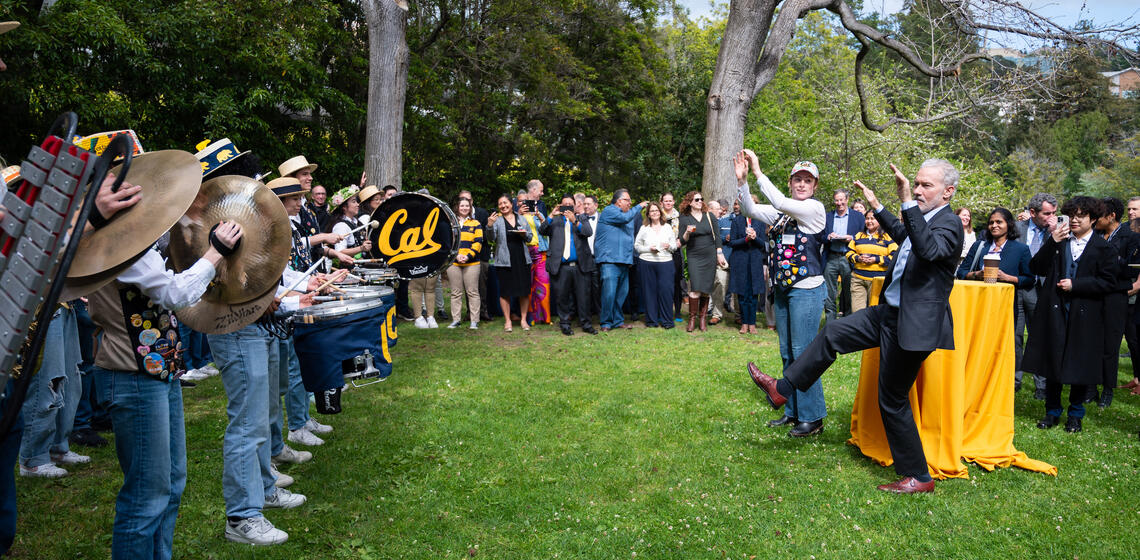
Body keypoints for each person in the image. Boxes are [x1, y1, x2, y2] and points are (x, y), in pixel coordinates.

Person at [749, 158, 964, 493]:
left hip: (913, 326)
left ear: (948, 192)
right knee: (833, 331)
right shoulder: (923, 219)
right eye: (917, 184)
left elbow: (927, 249)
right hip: (888, 314)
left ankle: (919, 477)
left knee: (891, 399)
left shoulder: (949, 225)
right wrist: (878, 205)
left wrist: (907, 200)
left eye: (926, 185)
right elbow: (905, 233)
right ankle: (783, 389)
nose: (919, 190)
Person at [84, 172, 244, 557]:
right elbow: (175, 293)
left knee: (170, 485)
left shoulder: (130, 238)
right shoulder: (119, 242)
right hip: (132, 375)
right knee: (146, 496)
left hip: (154, 371)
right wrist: (215, 251)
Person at [734, 152, 828, 437]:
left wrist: (759, 171)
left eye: (807, 181)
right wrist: (742, 181)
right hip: (784, 289)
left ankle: (813, 418)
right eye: (797, 179)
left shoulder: (814, 209)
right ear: (790, 182)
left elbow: (777, 201)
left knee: (803, 354)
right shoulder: (781, 216)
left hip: (807, 290)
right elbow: (749, 209)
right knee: (788, 352)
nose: (802, 184)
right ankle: (793, 411)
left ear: (814, 187)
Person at [1023, 196, 1117, 434]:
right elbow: (1036, 268)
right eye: (1071, 215)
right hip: (1055, 310)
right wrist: (1052, 242)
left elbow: (1108, 282)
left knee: (1080, 364)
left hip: (1086, 314)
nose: (1074, 220)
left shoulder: (1104, 247)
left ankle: (1076, 414)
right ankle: (1052, 411)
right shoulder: (1059, 242)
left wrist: (1077, 285)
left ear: (1093, 219)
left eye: (1080, 216)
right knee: (1054, 361)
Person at [265, 177, 339, 448]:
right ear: (280, 202)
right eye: (294, 199)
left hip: (288, 303)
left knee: (297, 366)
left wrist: (311, 280)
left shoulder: (289, 225)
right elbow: (276, 275)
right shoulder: (272, 229)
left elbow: (287, 271)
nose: (300, 202)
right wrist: (300, 292)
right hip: (276, 311)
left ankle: (301, 418)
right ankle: (292, 429)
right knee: (284, 378)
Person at [957, 207, 1033, 385]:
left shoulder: (1020, 249)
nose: (994, 225)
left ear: (1009, 224)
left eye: (999, 222)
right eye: (991, 222)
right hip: (977, 303)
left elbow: (1029, 279)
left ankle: (1006, 380)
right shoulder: (980, 246)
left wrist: (1008, 278)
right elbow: (961, 272)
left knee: (1005, 343)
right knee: (976, 342)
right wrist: (977, 275)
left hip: (1004, 305)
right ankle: (975, 377)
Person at [1092, 197, 1136, 408]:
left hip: (1115, 296)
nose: (1094, 219)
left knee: (1110, 345)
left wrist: (1111, 259)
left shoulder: (1131, 237)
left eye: (1098, 215)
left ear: (1111, 216)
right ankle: (1090, 386)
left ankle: (1107, 389)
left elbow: (1130, 270)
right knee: (1091, 342)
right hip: (1093, 294)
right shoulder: (1094, 235)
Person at [1015, 192, 1059, 400]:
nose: (1051, 217)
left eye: (1054, 213)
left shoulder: (1057, 232)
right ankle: (1015, 379)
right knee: (1015, 336)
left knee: (1039, 336)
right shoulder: (1017, 228)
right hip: (1017, 286)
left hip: (1041, 289)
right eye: (1046, 213)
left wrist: (1053, 233)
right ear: (1032, 212)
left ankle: (1041, 383)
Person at [540, 194, 596, 335]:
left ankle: (586, 324)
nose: (567, 206)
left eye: (570, 204)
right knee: (562, 297)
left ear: (574, 205)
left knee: (584, 297)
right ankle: (565, 324)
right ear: (560, 205)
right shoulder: (555, 220)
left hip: (580, 266)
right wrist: (551, 215)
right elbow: (542, 230)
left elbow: (588, 232)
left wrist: (575, 221)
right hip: (561, 266)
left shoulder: (581, 217)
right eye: (564, 204)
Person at [595, 190, 647, 331]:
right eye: (627, 200)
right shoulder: (609, 211)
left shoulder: (627, 216)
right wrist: (639, 206)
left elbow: (630, 238)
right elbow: (624, 219)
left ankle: (618, 321)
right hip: (610, 260)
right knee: (609, 293)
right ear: (618, 201)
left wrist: (630, 259)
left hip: (624, 261)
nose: (630, 203)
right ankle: (606, 322)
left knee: (621, 294)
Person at [678, 191, 727, 332]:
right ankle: (692, 319)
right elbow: (681, 240)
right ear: (690, 202)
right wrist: (687, 232)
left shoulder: (709, 216)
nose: (700, 201)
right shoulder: (684, 218)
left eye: (701, 199)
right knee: (695, 289)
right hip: (694, 255)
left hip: (710, 255)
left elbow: (717, 237)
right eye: (696, 199)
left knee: (705, 289)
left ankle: (702, 319)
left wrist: (719, 253)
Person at [489, 194, 533, 332]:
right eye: (500, 204)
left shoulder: (521, 218)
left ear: (511, 203)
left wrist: (523, 234)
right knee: (505, 292)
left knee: (524, 291)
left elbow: (530, 238)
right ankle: (507, 321)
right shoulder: (496, 221)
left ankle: (523, 319)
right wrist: (489, 226)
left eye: (505, 203)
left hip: (522, 259)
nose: (503, 206)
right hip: (504, 261)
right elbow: (492, 239)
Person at [634, 202, 679, 329]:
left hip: (665, 262)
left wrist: (668, 246)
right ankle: (651, 321)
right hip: (647, 262)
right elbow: (637, 246)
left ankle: (667, 321)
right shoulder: (644, 228)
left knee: (666, 291)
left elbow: (674, 247)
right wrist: (649, 248)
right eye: (651, 211)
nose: (654, 213)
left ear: (660, 212)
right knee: (649, 292)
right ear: (648, 214)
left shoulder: (668, 227)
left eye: (656, 210)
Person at [823, 188, 865, 321]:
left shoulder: (858, 217)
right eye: (836, 200)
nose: (839, 203)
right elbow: (820, 237)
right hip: (831, 257)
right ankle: (830, 323)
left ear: (847, 200)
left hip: (848, 258)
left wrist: (852, 238)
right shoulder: (828, 216)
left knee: (849, 292)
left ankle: (847, 323)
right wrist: (828, 236)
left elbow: (863, 237)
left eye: (842, 200)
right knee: (829, 293)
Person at [727, 195, 767, 334]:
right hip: (740, 261)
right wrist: (745, 239)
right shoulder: (737, 221)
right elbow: (732, 242)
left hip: (755, 262)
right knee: (743, 294)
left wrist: (755, 238)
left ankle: (752, 323)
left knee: (753, 294)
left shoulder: (761, 222)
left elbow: (764, 244)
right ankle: (744, 323)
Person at [846, 212, 897, 313]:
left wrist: (876, 259)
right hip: (858, 279)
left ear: (879, 221)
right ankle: (859, 328)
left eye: (872, 219)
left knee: (874, 312)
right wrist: (858, 258)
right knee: (857, 312)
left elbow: (894, 257)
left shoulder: (887, 237)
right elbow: (849, 252)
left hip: (877, 281)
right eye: (867, 219)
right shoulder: (859, 235)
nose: (869, 221)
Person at [446, 197, 484, 329]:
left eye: (467, 206)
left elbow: (478, 243)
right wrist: (456, 256)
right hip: (454, 263)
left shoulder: (476, 223)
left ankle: (474, 320)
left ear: (470, 207)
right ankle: (456, 320)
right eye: (462, 206)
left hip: (472, 263)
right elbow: (447, 242)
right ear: (457, 207)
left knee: (472, 292)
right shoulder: (451, 223)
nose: (464, 208)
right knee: (456, 292)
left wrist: (467, 256)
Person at [326, 188, 372, 259]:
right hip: (349, 268)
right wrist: (361, 248)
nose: (357, 204)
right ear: (344, 207)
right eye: (353, 202)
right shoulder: (341, 226)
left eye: (356, 201)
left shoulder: (357, 222)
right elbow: (340, 251)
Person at [661, 192, 684, 322]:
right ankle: (664, 310)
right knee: (664, 283)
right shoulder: (658, 216)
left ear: (674, 202)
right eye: (666, 201)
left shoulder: (679, 217)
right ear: (662, 203)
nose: (668, 203)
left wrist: (680, 240)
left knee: (676, 283)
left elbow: (684, 232)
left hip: (675, 252)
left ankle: (678, 312)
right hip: (661, 252)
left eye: (670, 201)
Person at [707, 200, 730, 326]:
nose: (721, 211)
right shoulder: (712, 222)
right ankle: (716, 314)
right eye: (718, 209)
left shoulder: (727, 221)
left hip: (732, 257)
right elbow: (713, 239)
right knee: (719, 285)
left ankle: (739, 315)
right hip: (718, 259)